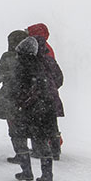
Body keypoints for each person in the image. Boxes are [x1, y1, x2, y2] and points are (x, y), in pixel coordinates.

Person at [9, 36, 59, 181]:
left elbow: (16, 89)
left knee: (19, 138)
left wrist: (17, 104)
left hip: (28, 109)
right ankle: (47, 176)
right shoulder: (41, 64)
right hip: (44, 108)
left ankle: (26, 172)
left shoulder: (20, 65)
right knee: (42, 141)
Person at [0, 30, 28, 163]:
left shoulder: (8, 56)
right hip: (25, 96)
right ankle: (24, 153)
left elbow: (0, 75)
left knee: (13, 127)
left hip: (9, 96)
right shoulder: (28, 57)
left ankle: (20, 154)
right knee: (22, 126)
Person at [27, 23, 63, 159]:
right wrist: (52, 87)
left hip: (37, 95)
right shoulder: (48, 51)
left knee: (36, 123)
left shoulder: (33, 53)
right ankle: (55, 149)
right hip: (51, 94)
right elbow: (58, 77)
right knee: (52, 122)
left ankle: (39, 150)